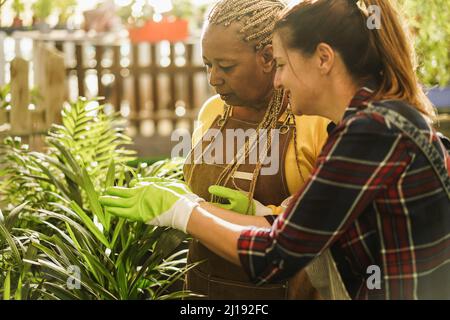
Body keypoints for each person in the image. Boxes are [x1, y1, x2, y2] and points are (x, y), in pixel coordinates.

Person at [100, 0, 450, 299]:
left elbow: (276, 254)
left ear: (323, 59)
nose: (278, 80)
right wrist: (209, 207)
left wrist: (182, 211)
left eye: (281, 64)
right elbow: (296, 222)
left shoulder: (370, 134)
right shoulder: (374, 121)